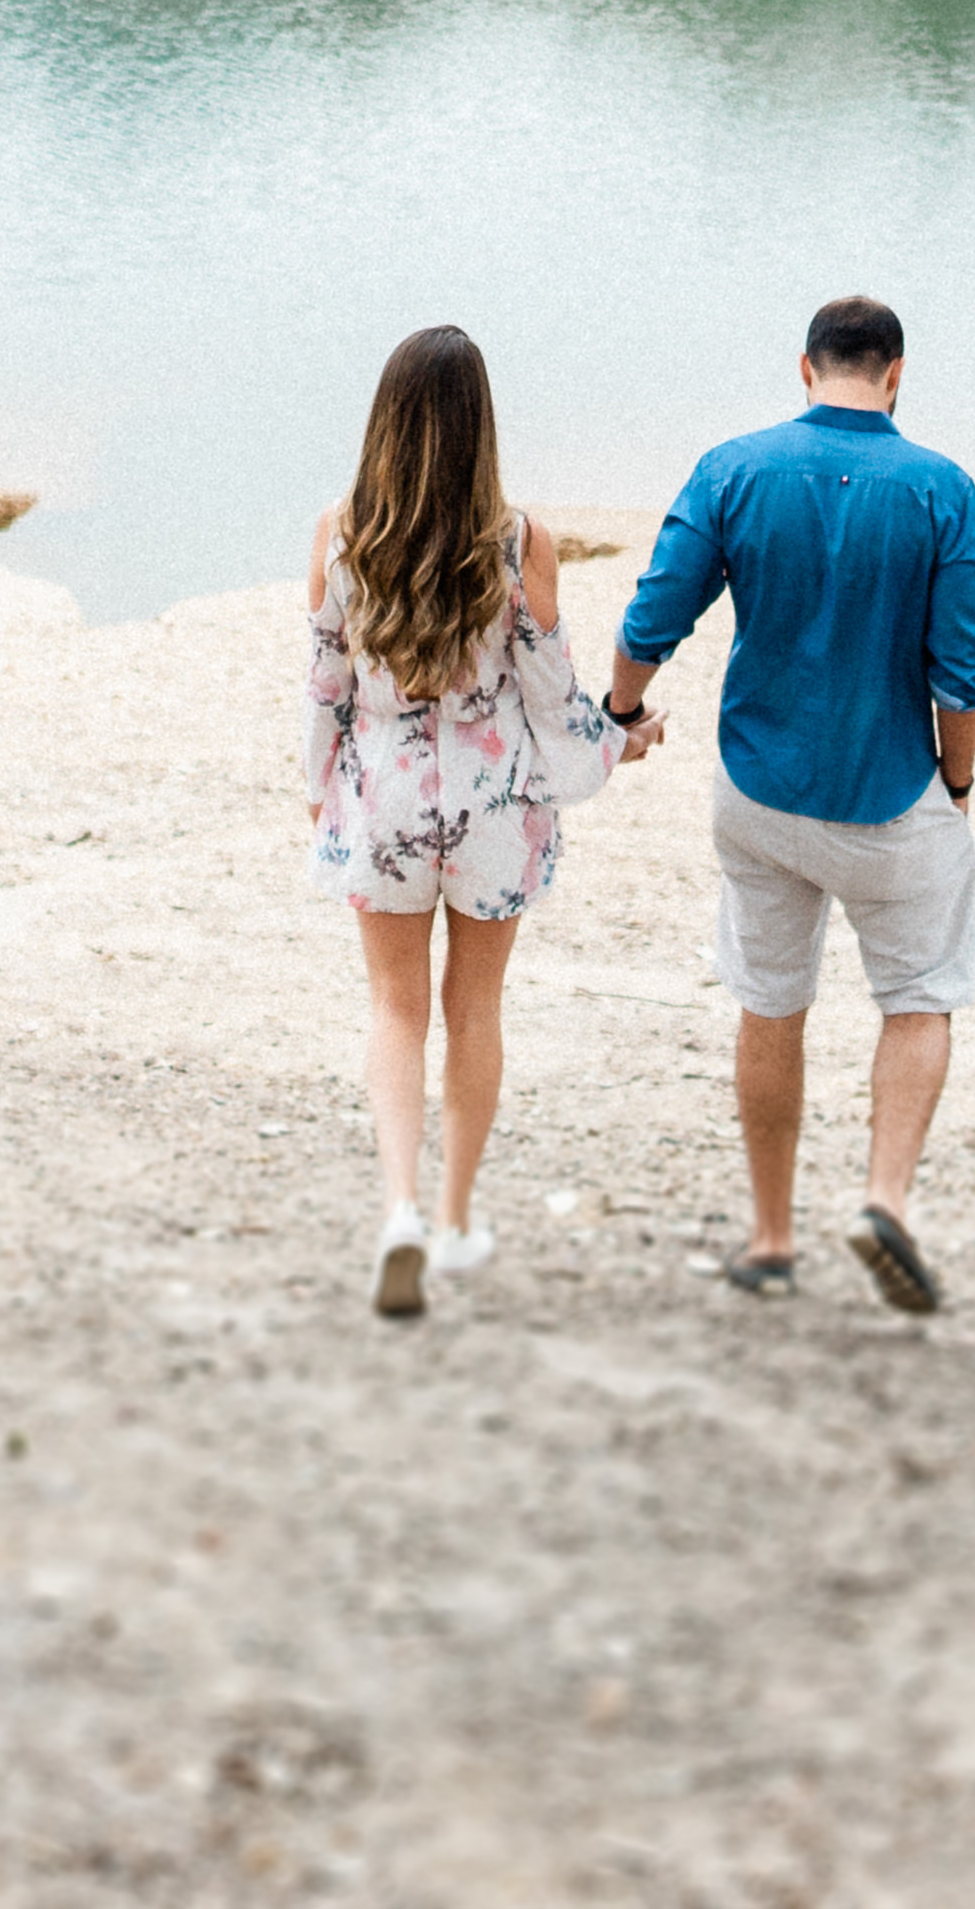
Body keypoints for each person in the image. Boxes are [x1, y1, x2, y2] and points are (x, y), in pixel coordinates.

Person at [609, 292, 975, 1313]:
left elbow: (654, 612)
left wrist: (622, 708)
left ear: (805, 367)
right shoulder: (943, 487)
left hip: (759, 789)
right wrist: (956, 784)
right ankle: (883, 1197)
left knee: (771, 1001)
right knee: (918, 996)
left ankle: (772, 1236)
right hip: (891, 792)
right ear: (897, 373)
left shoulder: (734, 467)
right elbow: (962, 674)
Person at [302, 321, 643, 1320]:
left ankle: (400, 1208)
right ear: (480, 422)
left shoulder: (339, 533)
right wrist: (624, 736)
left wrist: (319, 786)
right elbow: (551, 693)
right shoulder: (518, 538)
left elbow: (323, 683)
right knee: (475, 1010)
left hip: (387, 802)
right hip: (493, 809)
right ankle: (454, 1220)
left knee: (395, 1010)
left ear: (387, 420)